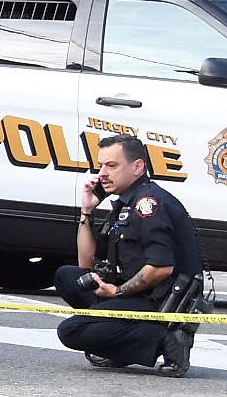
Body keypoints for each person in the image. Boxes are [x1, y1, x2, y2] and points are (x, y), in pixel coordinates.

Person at [56, 134, 204, 377]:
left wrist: (117, 292)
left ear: (137, 167)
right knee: (66, 276)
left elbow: (161, 268)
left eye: (111, 165)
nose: (102, 173)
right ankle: (121, 345)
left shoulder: (148, 205)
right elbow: (87, 263)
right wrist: (87, 211)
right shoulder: (126, 201)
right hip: (134, 289)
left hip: (160, 301)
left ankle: (165, 337)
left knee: (71, 331)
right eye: (100, 165)